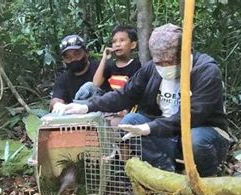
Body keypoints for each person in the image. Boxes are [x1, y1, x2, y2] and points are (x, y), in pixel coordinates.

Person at [61, 24, 230, 177]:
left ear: (185, 54)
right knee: (131, 121)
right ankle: (166, 172)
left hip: (202, 132)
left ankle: (206, 178)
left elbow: (194, 116)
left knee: (196, 139)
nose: (164, 66)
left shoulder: (206, 71)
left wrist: (150, 127)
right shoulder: (152, 69)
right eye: (159, 62)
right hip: (169, 135)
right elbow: (124, 95)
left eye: (169, 62)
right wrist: (87, 107)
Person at [50, 34, 100, 114]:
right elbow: (57, 98)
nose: (73, 59)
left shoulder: (101, 68)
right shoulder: (63, 79)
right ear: (63, 60)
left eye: (76, 54)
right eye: (68, 57)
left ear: (86, 52)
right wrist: (58, 105)